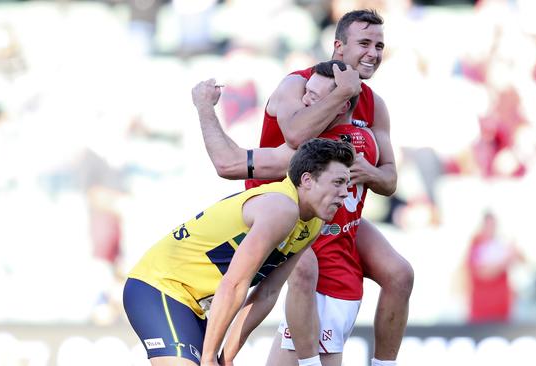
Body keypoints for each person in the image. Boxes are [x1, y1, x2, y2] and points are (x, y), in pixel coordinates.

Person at [246, 9, 413, 366]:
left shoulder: (374, 105)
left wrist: (367, 171)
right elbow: (294, 134)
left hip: (333, 213)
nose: (373, 52)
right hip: (279, 207)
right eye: (364, 43)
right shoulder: (297, 84)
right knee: (304, 270)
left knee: (399, 274)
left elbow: (389, 180)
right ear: (338, 47)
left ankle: (384, 364)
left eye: (380, 45)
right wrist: (341, 94)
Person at [191, 60, 380, 366]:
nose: (304, 101)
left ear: (340, 103)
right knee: (397, 273)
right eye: (306, 92)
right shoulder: (365, 139)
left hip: (324, 287)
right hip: (342, 286)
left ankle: (219, 358)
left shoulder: (314, 154)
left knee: (289, 274)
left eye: (316, 99)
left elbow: (228, 164)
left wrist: (204, 107)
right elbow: (389, 180)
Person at [123, 136, 355, 366]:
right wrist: (208, 357)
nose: (345, 192)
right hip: (159, 287)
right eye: (338, 182)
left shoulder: (313, 224)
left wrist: (227, 356)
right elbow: (234, 284)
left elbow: (267, 293)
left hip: (190, 303)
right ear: (307, 180)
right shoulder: (282, 208)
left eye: (347, 184)